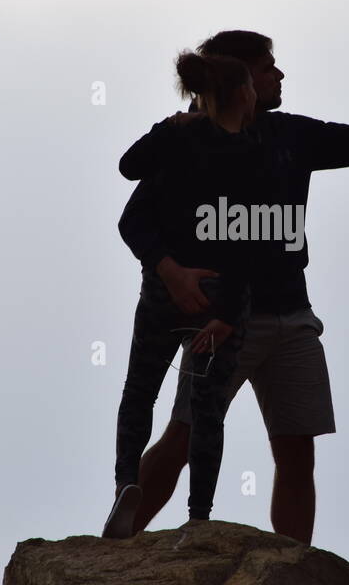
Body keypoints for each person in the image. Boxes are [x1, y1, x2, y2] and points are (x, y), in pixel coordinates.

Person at [117, 30, 349, 545]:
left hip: (292, 316)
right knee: (183, 436)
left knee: (297, 449)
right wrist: (172, 272)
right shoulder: (187, 141)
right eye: (270, 67)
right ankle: (116, 547)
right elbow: (136, 215)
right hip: (223, 318)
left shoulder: (291, 136)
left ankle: (294, 564)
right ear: (241, 78)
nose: (281, 76)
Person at [102, 49, 270, 538]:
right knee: (206, 407)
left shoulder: (178, 141)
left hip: (163, 291)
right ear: (242, 93)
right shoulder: (254, 155)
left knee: (140, 389)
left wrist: (169, 127)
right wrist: (229, 313)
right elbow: (251, 242)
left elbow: (128, 171)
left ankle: (125, 485)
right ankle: (199, 516)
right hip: (218, 296)